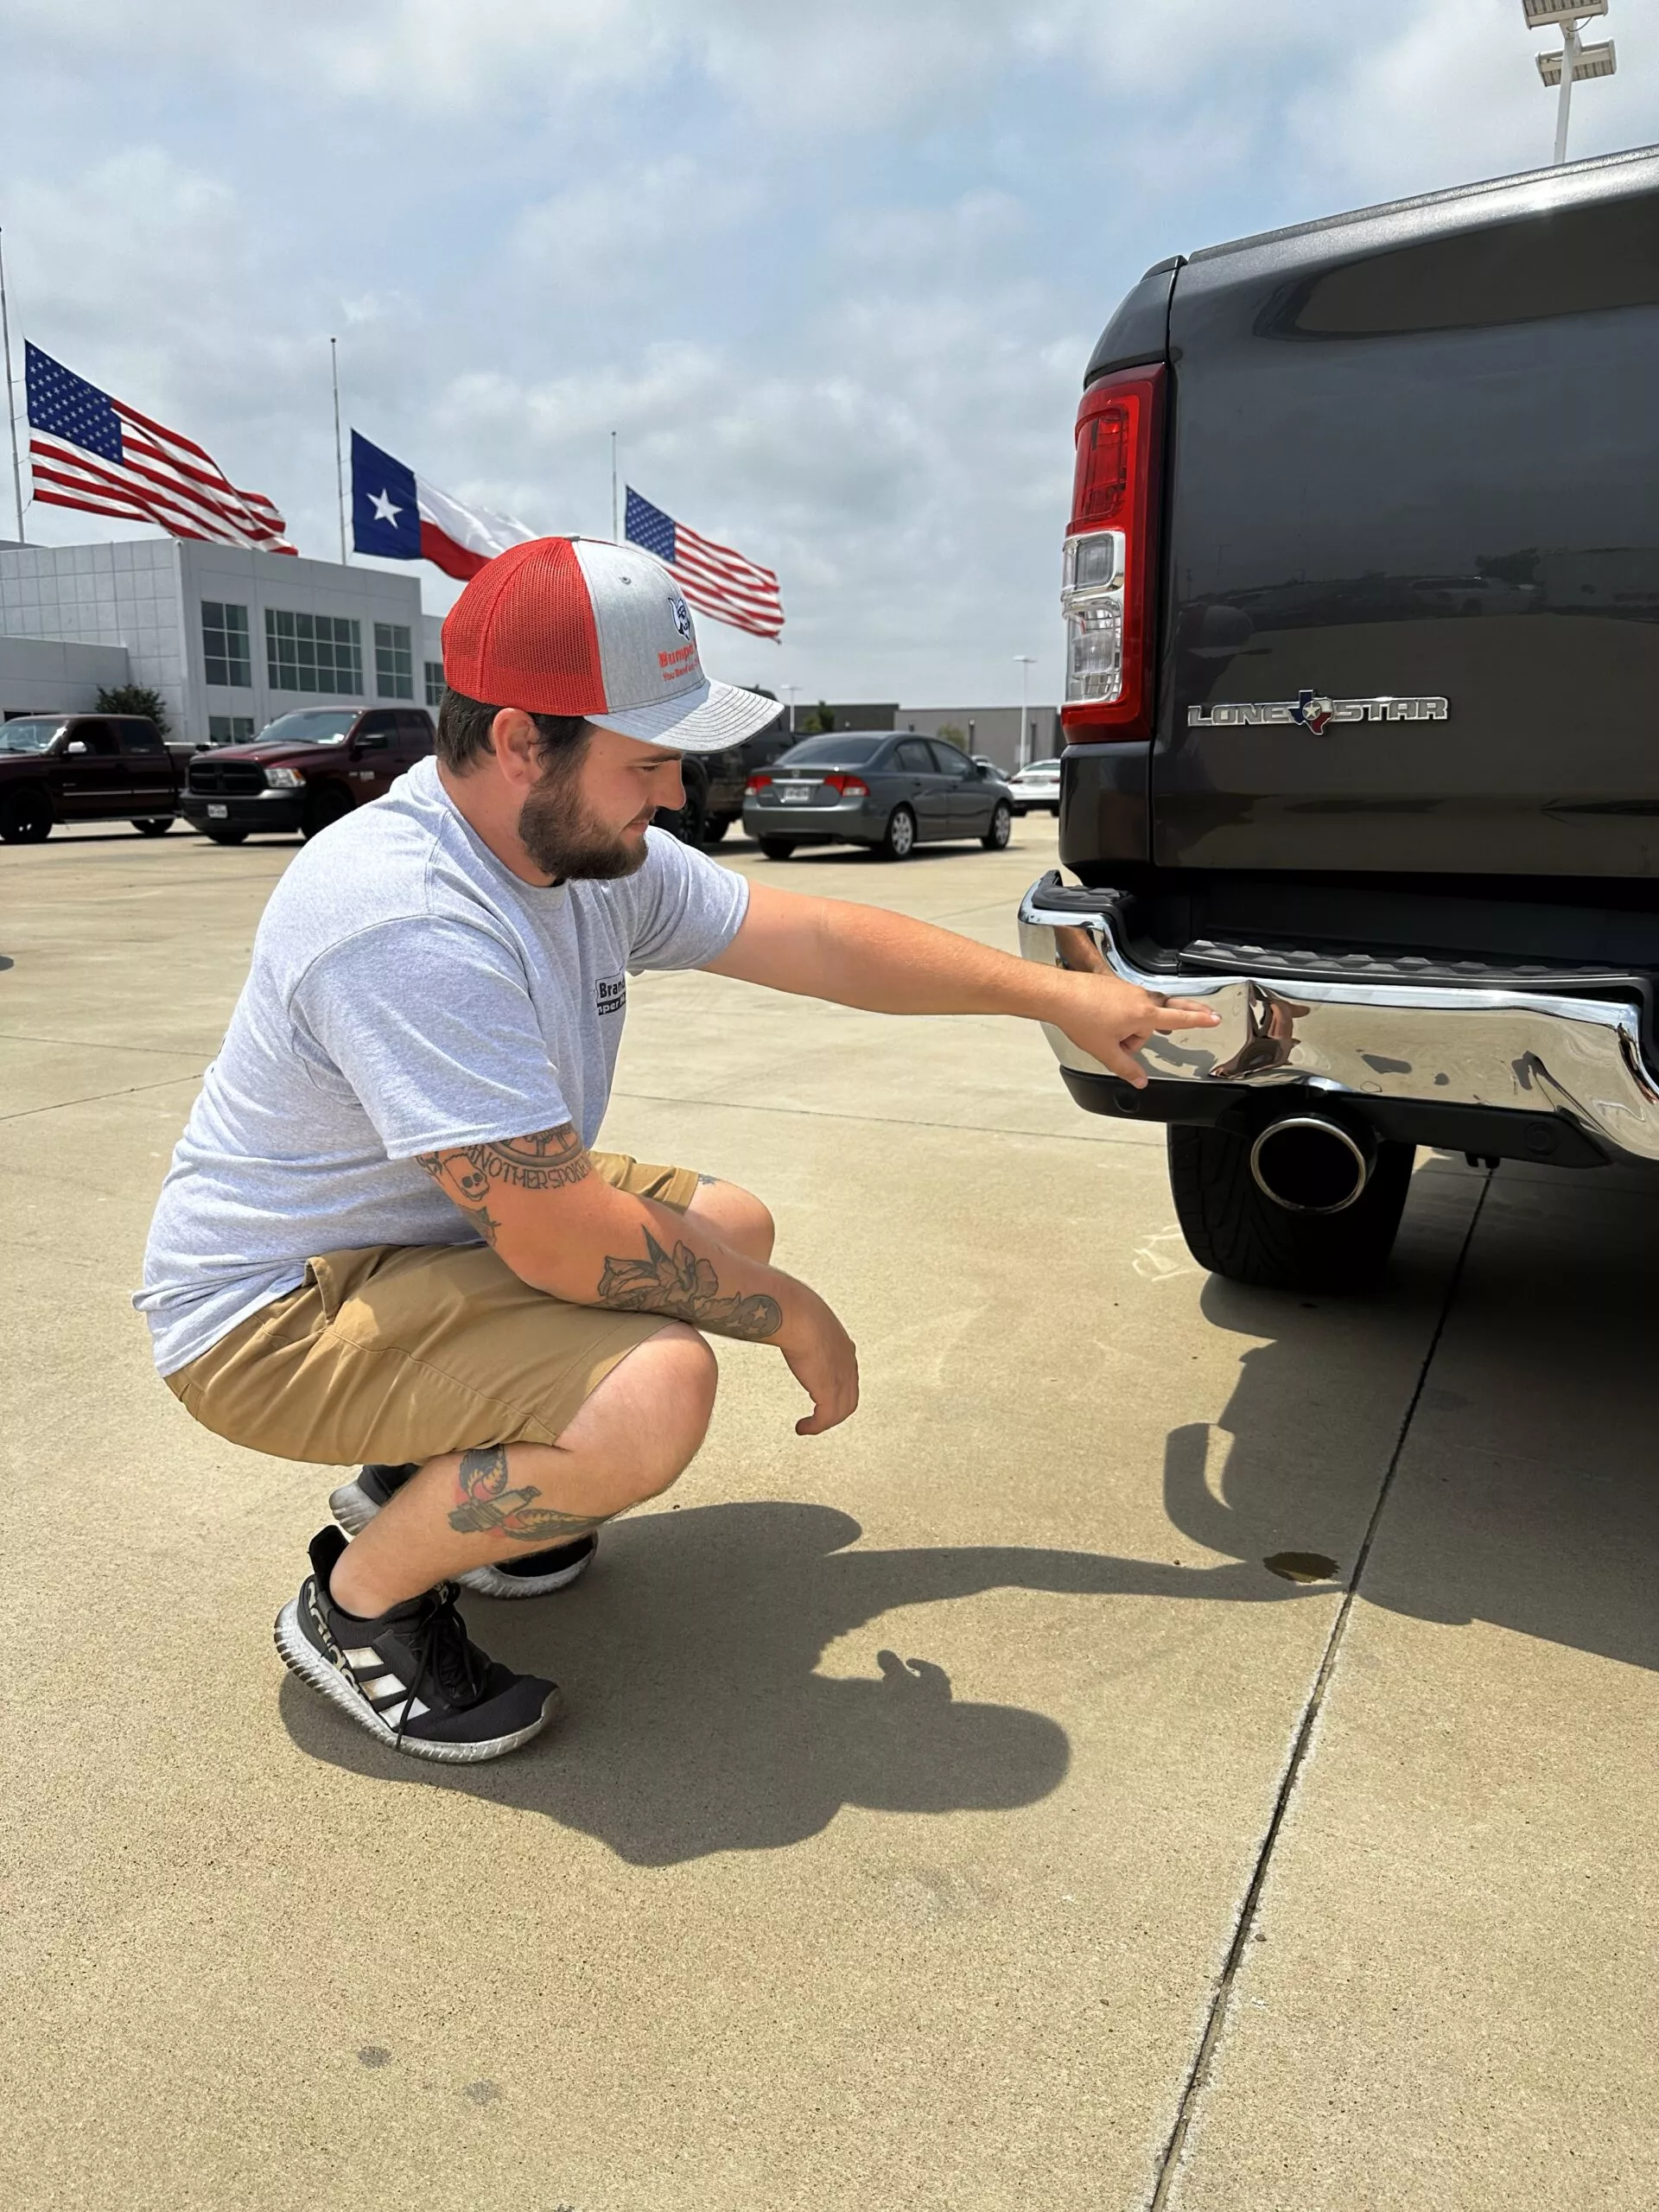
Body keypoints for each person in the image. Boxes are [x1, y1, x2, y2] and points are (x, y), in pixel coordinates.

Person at [138, 535, 1218, 1764]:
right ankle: (360, 1604)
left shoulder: (578, 856)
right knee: (660, 1391)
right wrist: (795, 1316)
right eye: (648, 760)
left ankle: (430, 1484)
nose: (673, 794)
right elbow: (554, 1235)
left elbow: (817, 939)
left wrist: (1055, 998)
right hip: (271, 1315)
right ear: (516, 740)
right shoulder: (405, 915)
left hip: (416, 1242)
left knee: (730, 1227)